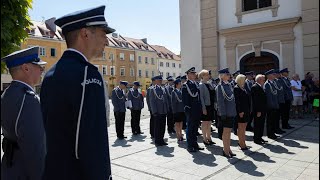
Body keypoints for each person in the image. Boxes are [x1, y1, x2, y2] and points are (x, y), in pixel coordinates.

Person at [40, 6, 114, 180]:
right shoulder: (88, 74)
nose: (107, 42)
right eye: (103, 34)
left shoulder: (51, 74)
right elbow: (92, 142)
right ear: (85, 34)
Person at [1, 47, 47, 180]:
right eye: (39, 66)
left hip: (10, 167)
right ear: (26, 68)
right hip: (25, 172)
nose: (42, 71)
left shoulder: (7, 93)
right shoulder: (29, 99)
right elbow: (35, 150)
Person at [216, 68, 237, 158]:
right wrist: (223, 113)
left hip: (231, 112)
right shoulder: (220, 87)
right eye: (227, 74)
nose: (229, 76)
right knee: (226, 132)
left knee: (229, 132)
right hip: (226, 113)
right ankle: (225, 150)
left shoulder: (228, 85)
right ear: (223, 76)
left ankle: (228, 149)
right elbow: (220, 102)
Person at [182, 67, 204, 152]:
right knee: (190, 128)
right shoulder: (185, 85)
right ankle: (190, 145)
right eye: (192, 73)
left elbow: (198, 97)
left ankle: (195, 144)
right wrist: (187, 110)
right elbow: (185, 99)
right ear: (188, 75)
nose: (194, 75)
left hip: (197, 109)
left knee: (195, 128)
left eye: (194, 73)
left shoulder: (196, 84)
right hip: (191, 110)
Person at [150, 75, 168, 146]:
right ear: (156, 81)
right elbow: (152, 101)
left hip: (163, 110)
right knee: (157, 127)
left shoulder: (163, 89)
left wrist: (166, 109)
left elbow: (165, 100)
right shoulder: (153, 89)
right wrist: (154, 111)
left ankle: (161, 139)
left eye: (161, 80)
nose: (160, 81)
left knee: (163, 126)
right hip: (157, 111)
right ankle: (157, 141)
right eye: (159, 80)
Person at [198, 69, 215, 145]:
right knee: (205, 123)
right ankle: (204, 138)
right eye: (207, 74)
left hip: (210, 106)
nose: (209, 76)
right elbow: (201, 97)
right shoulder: (201, 85)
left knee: (209, 123)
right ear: (203, 76)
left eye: (208, 74)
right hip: (205, 106)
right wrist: (203, 108)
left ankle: (209, 137)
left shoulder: (209, 84)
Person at [234, 74, 250, 150]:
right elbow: (237, 102)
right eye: (244, 79)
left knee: (243, 128)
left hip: (245, 110)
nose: (245, 81)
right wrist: (240, 111)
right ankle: (241, 143)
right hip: (241, 111)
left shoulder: (242, 88)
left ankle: (242, 141)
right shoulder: (236, 88)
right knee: (241, 128)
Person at [251, 74, 268, 145]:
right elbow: (256, 101)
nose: (264, 81)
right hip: (258, 110)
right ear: (259, 80)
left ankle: (260, 137)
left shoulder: (260, 86)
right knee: (257, 124)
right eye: (263, 80)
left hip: (262, 109)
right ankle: (256, 139)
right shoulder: (255, 87)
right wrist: (258, 111)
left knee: (261, 124)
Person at [264, 69, 280, 140]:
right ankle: (270, 134)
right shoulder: (267, 84)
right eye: (273, 74)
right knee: (270, 121)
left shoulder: (273, 83)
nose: (274, 75)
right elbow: (268, 97)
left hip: (274, 105)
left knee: (273, 120)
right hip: (270, 106)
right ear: (269, 76)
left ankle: (273, 132)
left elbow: (275, 94)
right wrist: (272, 105)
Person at [273, 70, 286, 134]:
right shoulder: (274, 82)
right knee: (276, 117)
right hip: (277, 101)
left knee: (279, 116)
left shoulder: (279, 81)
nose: (280, 75)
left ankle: (278, 128)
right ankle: (276, 128)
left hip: (280, 100)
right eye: (278, 74)